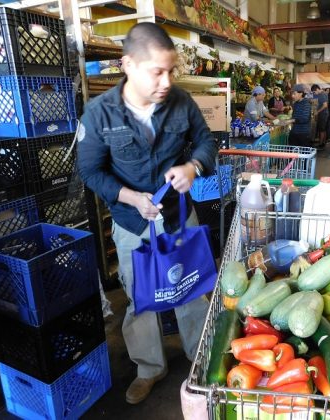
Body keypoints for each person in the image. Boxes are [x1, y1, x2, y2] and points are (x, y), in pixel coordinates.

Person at [77, 22, 217, 405]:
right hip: (132, 222)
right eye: (157, 71)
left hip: (177, 216)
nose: (167, 80)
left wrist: (193, 168)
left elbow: (206, 141)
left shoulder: (181, 102)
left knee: (190, 288)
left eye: (171, 70)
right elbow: (90, 170)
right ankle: (149, 368)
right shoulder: (100, 113)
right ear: (127, 65)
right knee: (140, 299)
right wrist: (131, 197)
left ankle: (200, 356)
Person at [311, 84, 328, 148]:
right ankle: (323, 142)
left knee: (322, 129)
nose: (314, 93)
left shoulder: (322, 95)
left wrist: (317, 112)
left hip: (323, 114)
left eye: (314, 92)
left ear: (317, 89)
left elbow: (325, 105)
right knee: (322, 129)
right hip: (321, 114)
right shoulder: (319, 94)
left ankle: (321, 144)